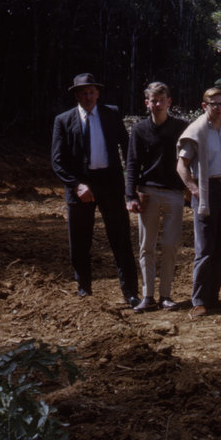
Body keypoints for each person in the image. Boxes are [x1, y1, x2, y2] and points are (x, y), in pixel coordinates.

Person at [51, 73, 139, 306]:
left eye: (91, 92)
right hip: (80, 187)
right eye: (83, 92)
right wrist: (77, 185)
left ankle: (131, 293)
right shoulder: (63, 120)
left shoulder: (111, 115)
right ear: (76, 95)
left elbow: (128, 148)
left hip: (110, 184)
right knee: (80, 241)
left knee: (120, 239)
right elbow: (57, 162)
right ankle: (84, 291)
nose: (88, 96)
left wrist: (131, 182)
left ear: (98, 93)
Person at [177, 88, 221, 318]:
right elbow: (181, 165)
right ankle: (199, 300)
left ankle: (213, 296)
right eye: (214, 104)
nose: (219, 107)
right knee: (205, 249)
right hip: (208, 190)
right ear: (204, 106)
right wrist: (193, 188)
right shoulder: (196, 131)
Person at [125, 82, 188, 312]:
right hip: (148, 192)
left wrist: (191, 188)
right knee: (146, 246)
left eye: (162, 100)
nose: (158, 104)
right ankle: (147, 296)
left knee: (170, 245)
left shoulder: (182, 127)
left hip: (174, 193)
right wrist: (130, 195)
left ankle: (166, 296)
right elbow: (132, 164)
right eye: (154, 100)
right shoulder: (140, 130)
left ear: (169, 102)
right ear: (147, 103)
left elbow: (191, 159)